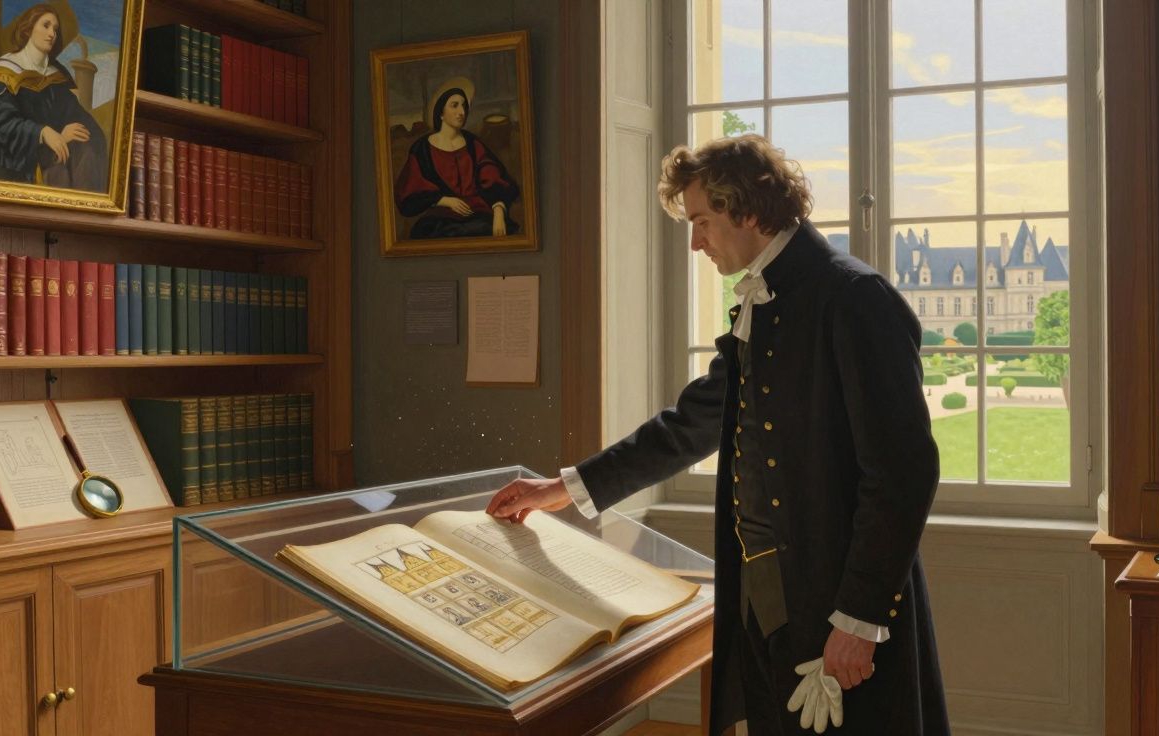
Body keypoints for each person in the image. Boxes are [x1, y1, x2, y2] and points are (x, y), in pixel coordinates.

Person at [486, 135, 948, 734]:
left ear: (749, 210)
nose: (696, 241)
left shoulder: (855, 298)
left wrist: (858, 620)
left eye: (703, 221)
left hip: (836, 609)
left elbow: (904, 474)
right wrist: (564, 488)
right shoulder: (766, 298)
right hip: (762, 600)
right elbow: (690, 425)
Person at [0, 4, 107, 191]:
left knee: (87, 150)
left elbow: (74, 113)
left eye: (55, 29)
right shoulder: (7, 68)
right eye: (46, 25)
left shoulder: (57, 75)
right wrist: (43, 133)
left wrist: (72, 133)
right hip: (13, 152)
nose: (52, 34)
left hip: (52, 149)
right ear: (28, 28)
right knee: (58, 173)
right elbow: (4, 124)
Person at [393, 77, 520, 239]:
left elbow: (493, 175)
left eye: (463, 106)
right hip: (440, 219)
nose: (462, 112)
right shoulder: (422, 148)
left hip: (479, 214)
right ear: (441, 113)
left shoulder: (473, 144)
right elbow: (409, 192)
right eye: (454, 105)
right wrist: (444, 200)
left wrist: (499, 210)